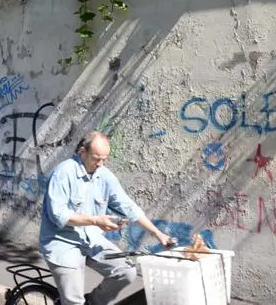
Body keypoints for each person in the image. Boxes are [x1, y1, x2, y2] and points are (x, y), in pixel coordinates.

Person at [40, 130, 177, 305]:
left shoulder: (104, 175)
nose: (100, 164)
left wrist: (159, 235)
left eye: (104, 159)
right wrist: (96, 220)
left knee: (126, 271)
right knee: (73, 302)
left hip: (91, 240)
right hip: (62, 244)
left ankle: (93, 302)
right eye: (96, 158)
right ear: (82, 152)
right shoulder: (64, 173)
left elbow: (130, 207)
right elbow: (59, 215)